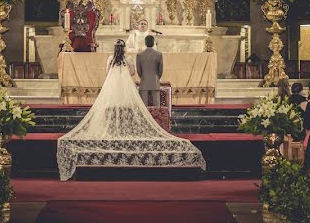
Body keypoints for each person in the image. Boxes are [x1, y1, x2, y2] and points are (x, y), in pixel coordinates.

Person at [56, 39, 204, 181]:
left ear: (115, 49)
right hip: (126, 87)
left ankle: (113, 131)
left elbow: (107, 73)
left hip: (112, 88)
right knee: (127, 109)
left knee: (111, 109)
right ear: (124, 48)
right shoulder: (128, 60)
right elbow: (133, 72)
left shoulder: (110, 59)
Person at [136, 34, 163, 107]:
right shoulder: (159, 54)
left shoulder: (139, 55)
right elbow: (160, 70)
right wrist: (157, 78)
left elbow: (139, 70)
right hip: (155, 82)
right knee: (156, 108)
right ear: (154, 42)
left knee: (144, 108)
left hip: (144, 82)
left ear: (145, 43)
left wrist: (143, 77)